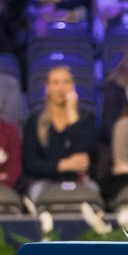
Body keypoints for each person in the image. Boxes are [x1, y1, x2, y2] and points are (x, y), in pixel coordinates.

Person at [23, 67, 100, 198]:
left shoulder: (86, 119)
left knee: (93, 190)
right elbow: (31, 163)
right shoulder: (35, 121)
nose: (61, 88)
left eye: (66, 82)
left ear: (73, 87)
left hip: (79, 180)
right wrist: (62, 165)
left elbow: (86, 158)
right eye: (56, 82)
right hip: (46, 181)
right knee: (36, 191)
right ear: (47, 88)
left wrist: (72, 117)